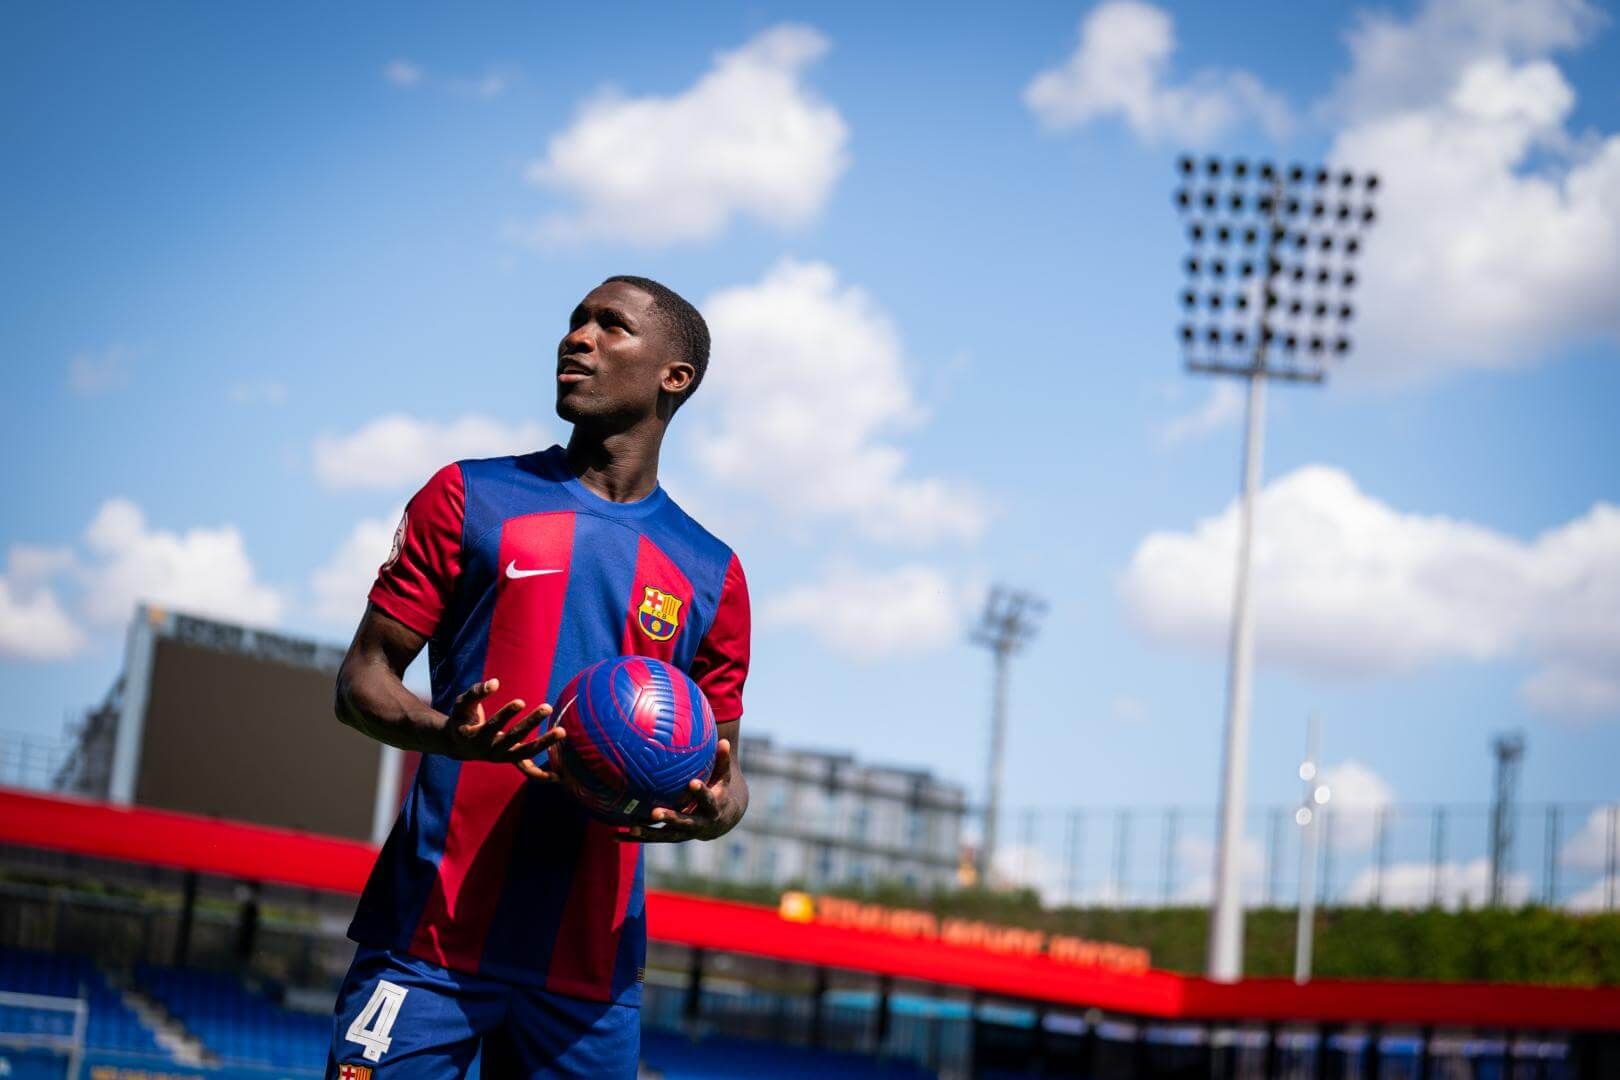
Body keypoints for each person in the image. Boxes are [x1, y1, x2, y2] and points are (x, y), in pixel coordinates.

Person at [327, 276, 750, 1079]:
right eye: (575, 321)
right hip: (428, 939)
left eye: (610, 325)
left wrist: (709, 812)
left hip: (590, 978)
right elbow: (361, 681)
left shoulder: (712, 573)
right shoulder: (470, 495)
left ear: (675, 376)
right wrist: (448, 735)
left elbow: (728, 778)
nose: (577, 337)